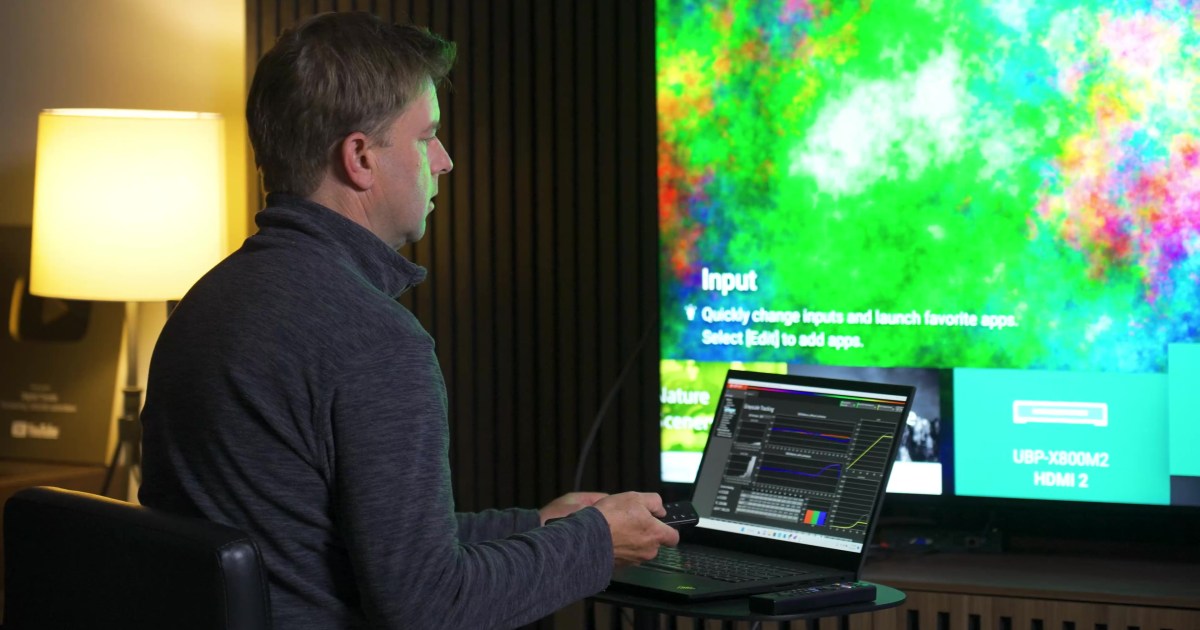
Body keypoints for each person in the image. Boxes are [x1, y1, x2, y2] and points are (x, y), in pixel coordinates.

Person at [138, 11, 679, 629]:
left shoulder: (203, 306)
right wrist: (597, 543)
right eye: (426, 138)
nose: (444, 161)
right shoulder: (373, 342)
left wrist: (539, 525)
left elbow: (347, 541)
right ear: (360, 158)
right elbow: (428, 606)